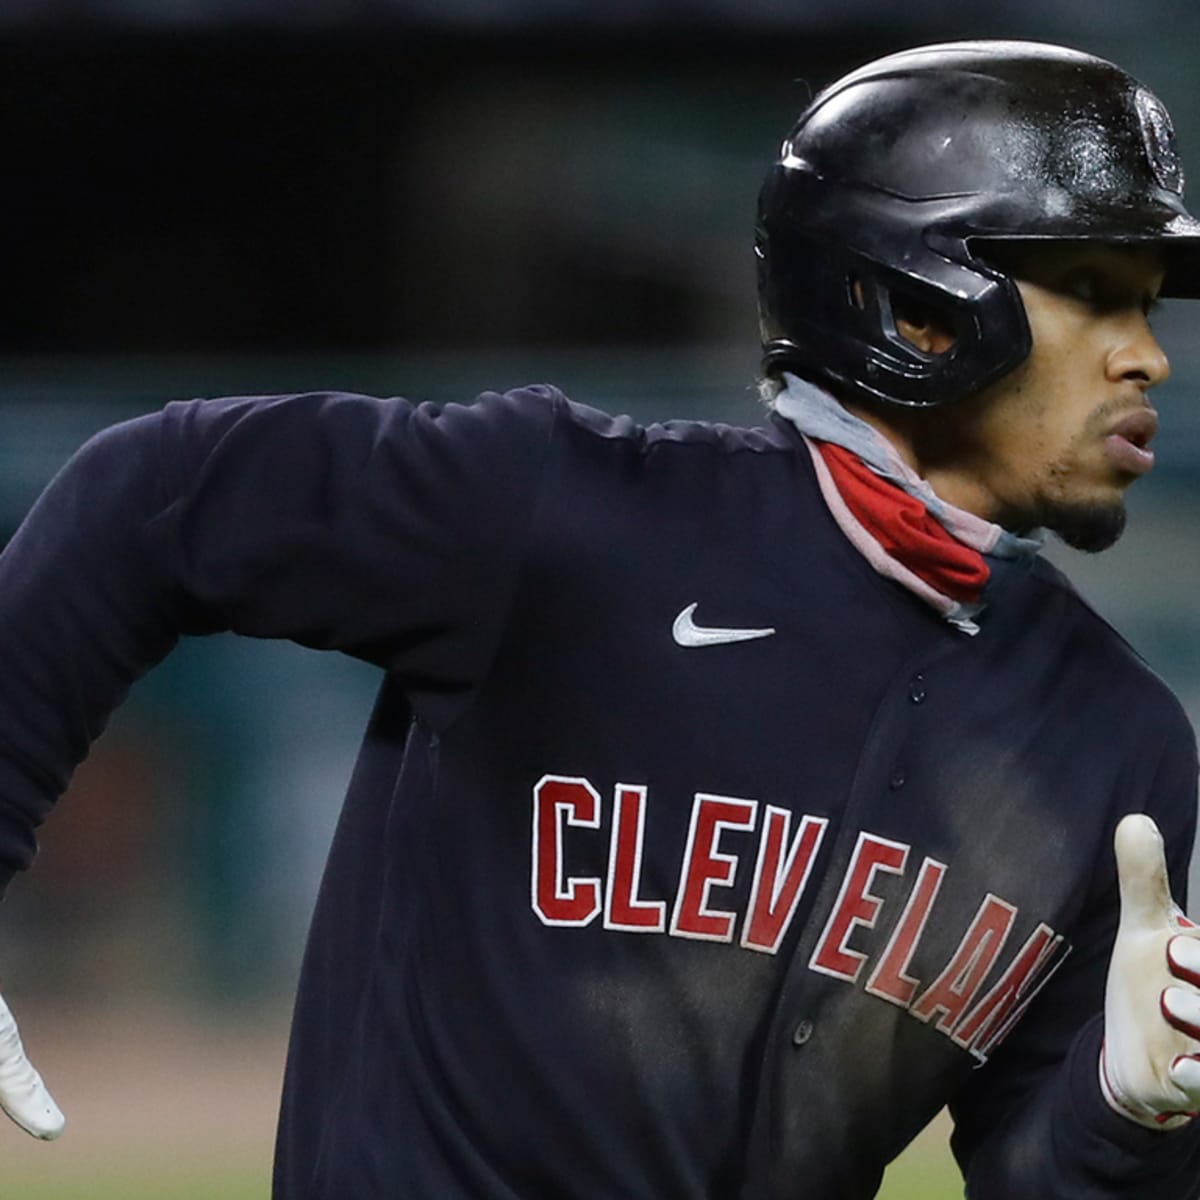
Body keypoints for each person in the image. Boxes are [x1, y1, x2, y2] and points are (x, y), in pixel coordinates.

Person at [1, 37, 1200, 1199]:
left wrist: (1125, 1113)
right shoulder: (563, 514)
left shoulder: (1114, 741)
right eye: (1093, 294)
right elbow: (153, 498)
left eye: (1146, 306)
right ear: (920, 307)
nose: (1147, 357)